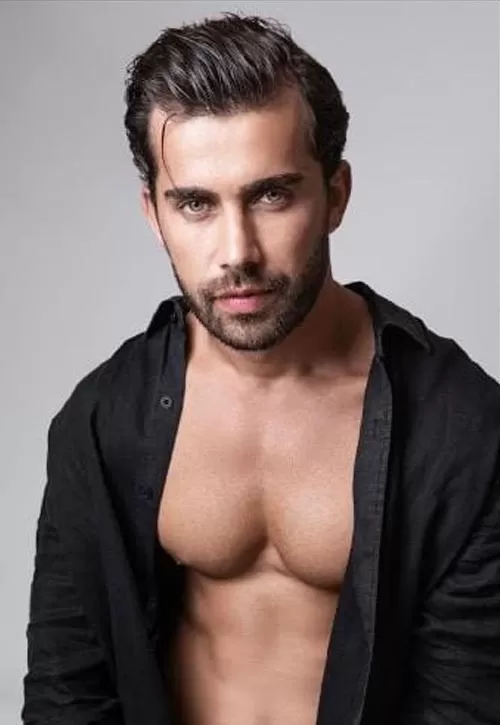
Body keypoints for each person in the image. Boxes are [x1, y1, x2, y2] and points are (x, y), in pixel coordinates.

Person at [22, 12, 500, 725]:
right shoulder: (102, 420)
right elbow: (68, 690)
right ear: (154, 214)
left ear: (335, 194)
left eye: (271, 194)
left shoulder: (460, 429)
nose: (236, 251)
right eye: (196, 204)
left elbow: (466, 704)